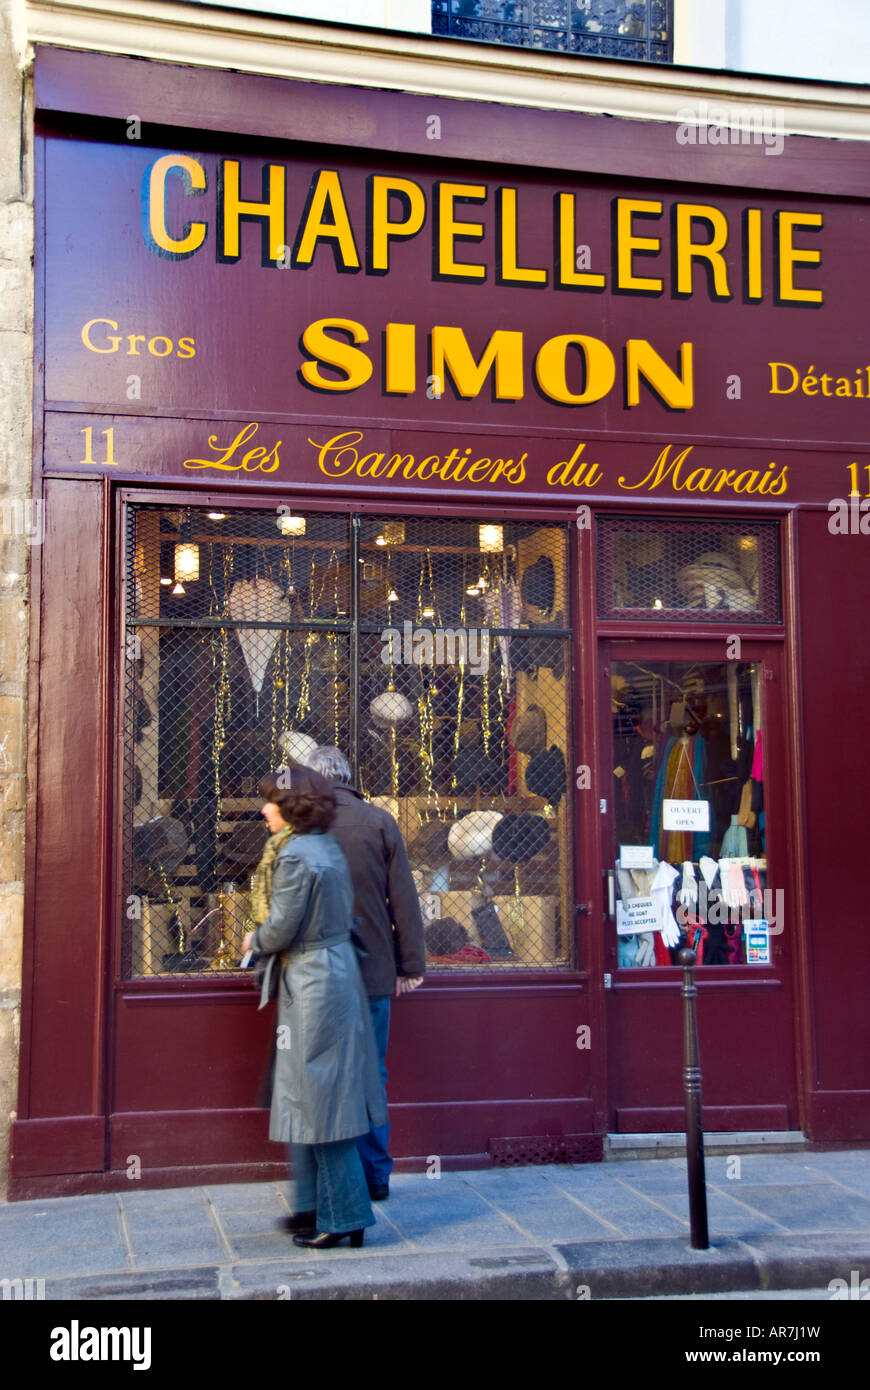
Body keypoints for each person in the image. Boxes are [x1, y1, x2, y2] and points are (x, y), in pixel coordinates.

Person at [242, 765, 387, 1249]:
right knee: (323, 1098)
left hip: (313, 983)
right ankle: (327, 1209)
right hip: (333, 975)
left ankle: (344, 1215)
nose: (263, 809)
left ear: (290, 807)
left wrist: (253, 938)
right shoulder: (322, 846)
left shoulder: (294, 856)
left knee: (321, 1102)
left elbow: (281, 928)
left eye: (269, 801)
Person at [305, 746, 425, 1201]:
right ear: (349, 777)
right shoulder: (379, 821)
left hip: (318, 973)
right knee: (371, 1074)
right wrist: (410, 965)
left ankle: (334, 1180)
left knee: (323, 1075)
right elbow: (404, 902)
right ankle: (375, 1175)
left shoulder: (304, 825)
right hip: (374, 972)